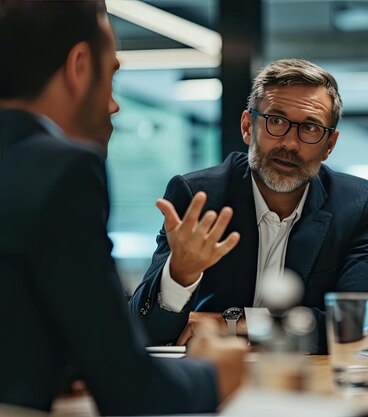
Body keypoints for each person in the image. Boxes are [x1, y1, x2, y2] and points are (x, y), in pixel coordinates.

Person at [0, 1, 246, 414]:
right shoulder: (63, 170)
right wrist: (213, 371)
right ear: (79, 66)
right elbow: (132, 392)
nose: (114, 105)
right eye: (111, 76)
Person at [129, 58, 368, 351]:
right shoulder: (198, 198)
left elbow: (350, 325)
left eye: (310, 128)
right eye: (276, 121)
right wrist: (180, 275)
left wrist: (231, 323)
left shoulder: (359, 206)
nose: (290, 143)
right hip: (212, 380)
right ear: (247, 127)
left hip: (306, 385)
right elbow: (142, 329)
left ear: (329, 145)